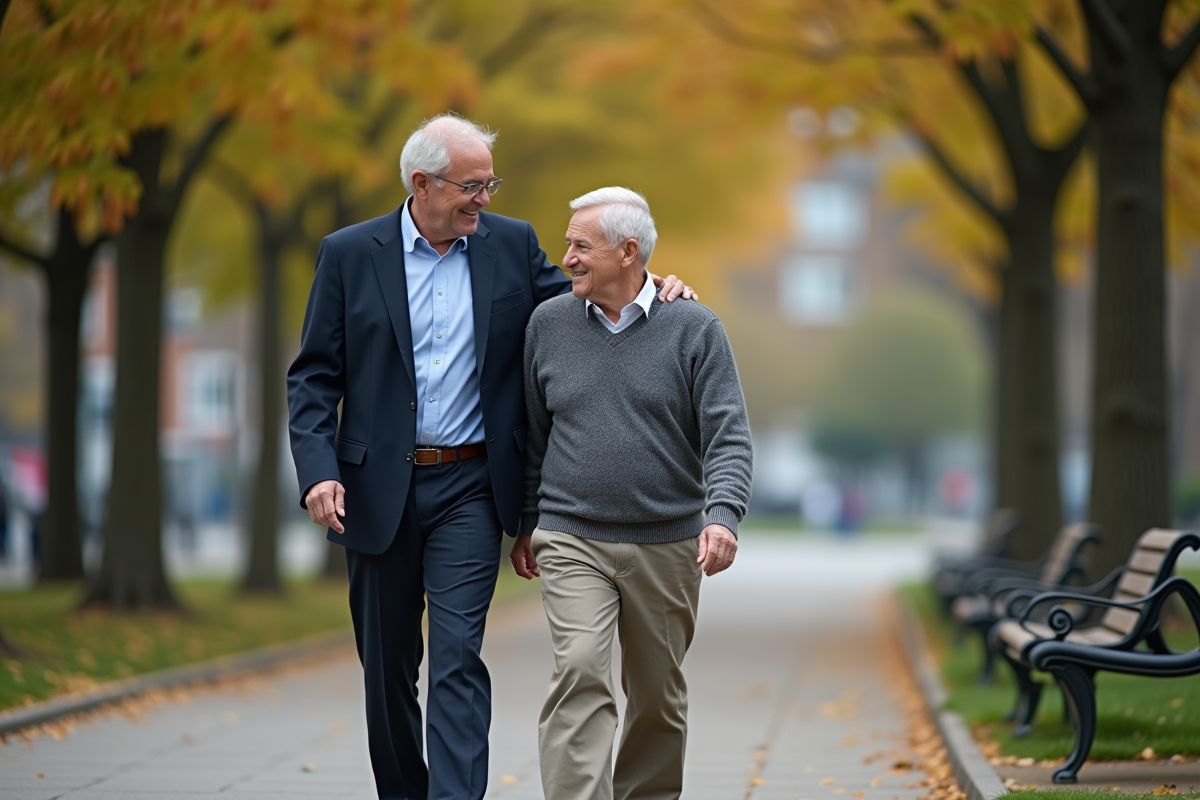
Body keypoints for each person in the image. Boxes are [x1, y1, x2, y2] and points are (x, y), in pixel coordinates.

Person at [286, 115, 692, 800]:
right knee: (386, 669)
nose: (485, 199)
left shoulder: (509, 245)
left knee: (456, 658)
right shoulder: (350, 254)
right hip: (375, 486)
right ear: (423, 184)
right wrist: (318, 471)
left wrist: (656, 290)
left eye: (489, 184)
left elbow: (584, 296)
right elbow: (313, 376)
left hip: (471, 487)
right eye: (472, 186)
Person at [510, 187, 753, 800]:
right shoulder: (549, 323)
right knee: (580, 673)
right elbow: (534, 436)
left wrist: (722, 516)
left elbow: (729, 435)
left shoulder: (694, 327)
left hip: (667, 543)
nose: (566, 256)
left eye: (580, 245)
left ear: (627, 252)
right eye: (568, 243)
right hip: (572, 537)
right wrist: (526, 522)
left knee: (657, 697)